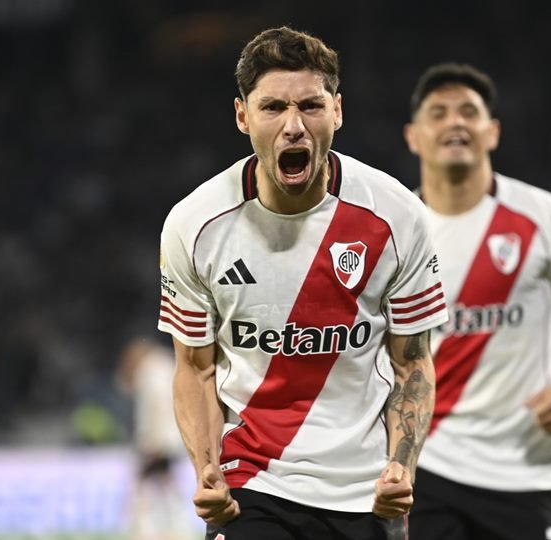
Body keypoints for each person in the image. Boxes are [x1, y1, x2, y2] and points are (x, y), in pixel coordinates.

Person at [156, 26, 448, 540]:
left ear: (337, 110)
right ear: (242, 116)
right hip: (253, 485)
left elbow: (412, 362)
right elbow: (195, 368)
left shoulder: (398, 217)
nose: (293, 126)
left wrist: (402, 467)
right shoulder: (195, 224)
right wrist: (207, 469)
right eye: (272, 108)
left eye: (310, 106)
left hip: (364, 490)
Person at [402, 63, 551, 540]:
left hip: (527, 473)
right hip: (428, 467)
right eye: (438, 113)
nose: (455, 122)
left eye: (469, 112)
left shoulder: (542, 216)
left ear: (493, 132)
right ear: (413, 137)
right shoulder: (395, 232)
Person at [116, 338, 193, 540]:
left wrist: (151, 439)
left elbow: (157, 406)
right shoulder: (166, 365)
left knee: (143, 487)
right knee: (166, 485)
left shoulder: (150, 371)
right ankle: (178, 530)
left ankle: (146, 531)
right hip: (174, 437)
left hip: (159, 441)